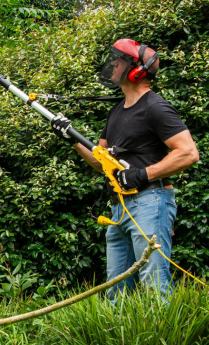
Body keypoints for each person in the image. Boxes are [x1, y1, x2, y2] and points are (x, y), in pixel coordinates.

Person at [51, 39, 199, 298]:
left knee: (154, 283)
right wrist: (71, 138)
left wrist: (142, 174)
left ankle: (162, 325)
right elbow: (101, 161)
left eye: (119, 61)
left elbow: (188, 152)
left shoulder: (155, 107)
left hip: (150, 201)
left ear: (137, 71)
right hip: (120, 207)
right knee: (115, 289)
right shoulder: (116, 111)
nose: (113, 65)